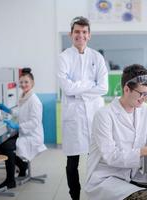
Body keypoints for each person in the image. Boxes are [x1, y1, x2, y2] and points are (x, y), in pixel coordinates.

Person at [85, 64, 147, 200]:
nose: (145, 98)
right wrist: (146, 151)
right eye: (141, 94)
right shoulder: (104, 115)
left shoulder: (144, 109)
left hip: (132, 174)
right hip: (107, 178)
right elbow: (111, 156)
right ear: (126, 89)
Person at [57, 16, 108, 200]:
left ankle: (96, 193)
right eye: (77, 31)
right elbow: (67, 88)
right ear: (71, 34)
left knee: (98, 159)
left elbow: (103, 87)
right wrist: (89, 85)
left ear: (89, 35)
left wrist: (78, 88)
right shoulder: (64, 58)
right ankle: (75, 197)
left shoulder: (97, 57)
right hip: (74, 117)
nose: (81, 35)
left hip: (94, 114)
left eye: (84, 32)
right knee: (72, 162)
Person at [0, 67, 47, 190]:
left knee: (6, 147)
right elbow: (20, 112)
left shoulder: (34, 100)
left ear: (32, 83)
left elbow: (35, 122)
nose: (23, 85)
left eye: (26, 82)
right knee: (1, 146)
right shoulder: (24, 97)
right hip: (24, 133)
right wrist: (9, 110)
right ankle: (23, 166)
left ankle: (10, 181)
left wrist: (17, 126)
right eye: (21, 82)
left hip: (32, 135)